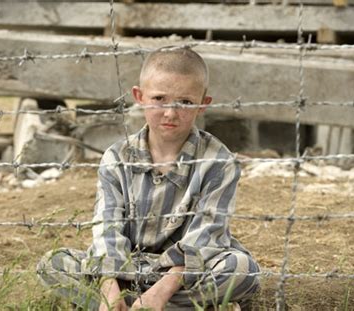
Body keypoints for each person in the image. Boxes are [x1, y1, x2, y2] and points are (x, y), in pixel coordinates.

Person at [37, 47, 260, 310]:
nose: (170, 113)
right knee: (54, 263)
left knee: (242, 270)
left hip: (185, 273)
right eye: (159, 99)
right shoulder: (117, 157)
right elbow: (107, 226)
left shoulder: (218, 162)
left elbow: (207, 235)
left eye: (186, 102)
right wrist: (110, 288)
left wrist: (160, 293)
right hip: (126, 269)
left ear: (203, 105)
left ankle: (143, 306)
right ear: (139, 97)